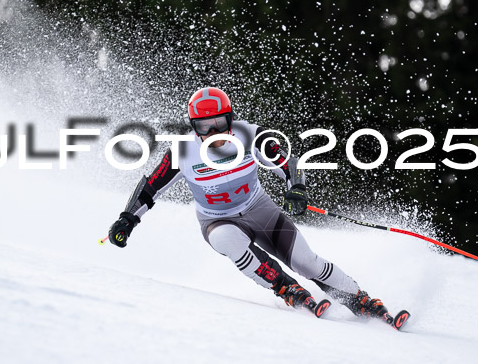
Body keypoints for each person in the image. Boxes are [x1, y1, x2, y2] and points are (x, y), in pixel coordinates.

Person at [108, 87, 389, 318]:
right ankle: (285, 287)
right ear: (193, 127)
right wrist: (128, 218)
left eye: (219, 123)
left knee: (306, 261)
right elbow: (151, 187)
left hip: (260, 210)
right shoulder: (183, 150)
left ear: (230, 119)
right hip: (216, 220)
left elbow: (289, 164)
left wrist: (297, 189)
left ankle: (358, 299)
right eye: (203, 126)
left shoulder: (251, 135)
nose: (213, 131)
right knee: (230, 240)